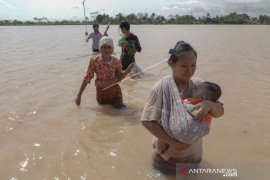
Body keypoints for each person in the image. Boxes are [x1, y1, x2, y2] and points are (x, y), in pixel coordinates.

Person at [141, 41, 224, 173]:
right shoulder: (161, 88)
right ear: (171, 64)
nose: (190, 70)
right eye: (184, 66)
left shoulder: (199, 86)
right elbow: (147, 121)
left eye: (193, 65)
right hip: (166, 159)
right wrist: (174, 144)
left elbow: (220, 112)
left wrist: (209, 104)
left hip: (193, 157)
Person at [157, 81, 222, 161]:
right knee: (183, 142)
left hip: (189, 130)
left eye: (196, 89)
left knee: (163, 125)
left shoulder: (198, 99)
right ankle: (167, 155)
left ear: (203, 98)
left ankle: (160, 146)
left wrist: (209, 104)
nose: (194, 89)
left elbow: (219, 111)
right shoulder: (164, 85)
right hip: (194, 135)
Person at [75, 36, 134, 109]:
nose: (106, 50)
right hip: (101, 91)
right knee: (104, 111)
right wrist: (79, 95)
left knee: (119, 109)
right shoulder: (94, 61)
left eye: (109, 47)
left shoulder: (117, 62)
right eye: (104, 47)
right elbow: (87, 78)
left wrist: (127, 70)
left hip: (115, 91)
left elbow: (119, 79)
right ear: (100, 48)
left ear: (112, 49)